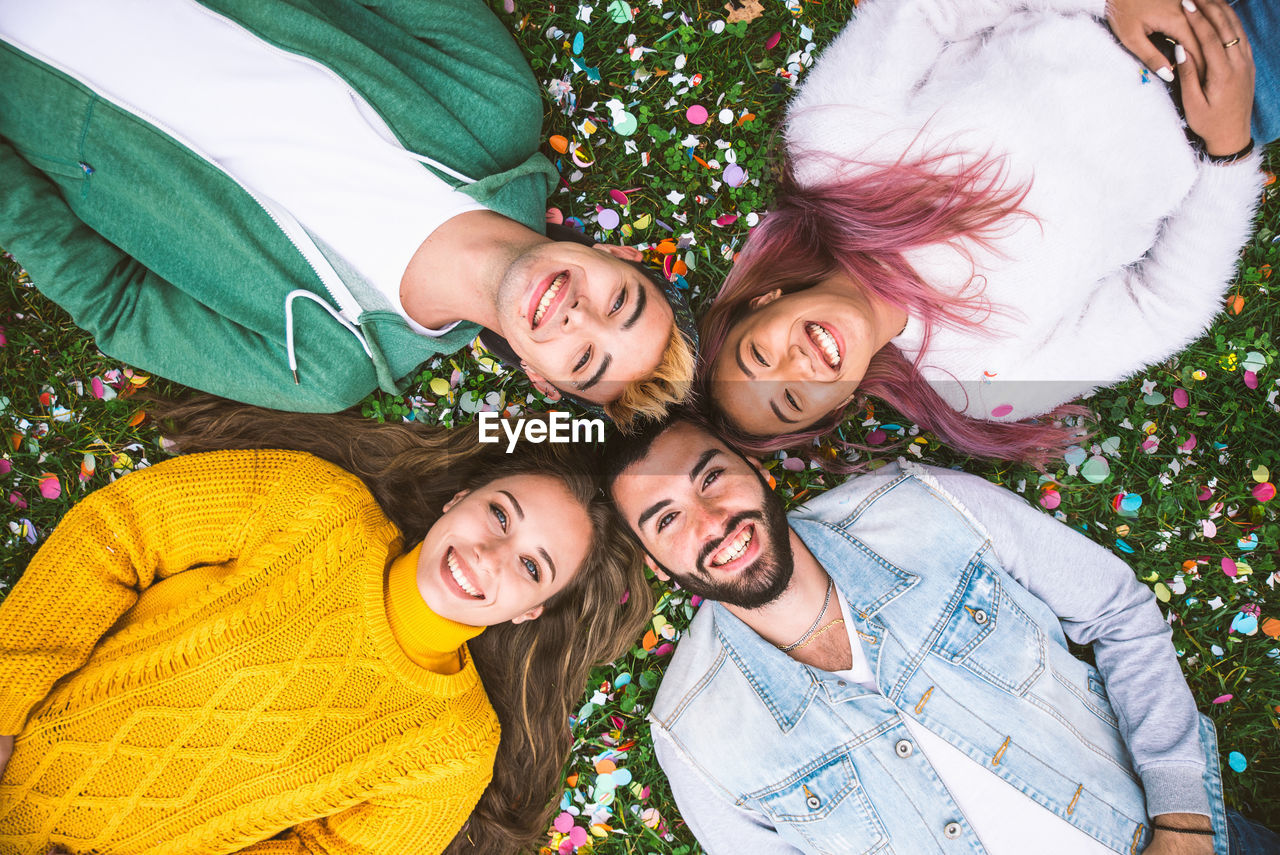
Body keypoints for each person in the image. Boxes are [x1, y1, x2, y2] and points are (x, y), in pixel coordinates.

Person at [604, 414, 1280, 854]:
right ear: (659, 564)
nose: (712, 519)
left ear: (754, 470)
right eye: (667, 519)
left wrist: (1184, 815)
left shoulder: (925, 506)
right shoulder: (695, 736)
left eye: (711, 477)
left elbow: (1118, 613)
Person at [0, 399, 653, 855]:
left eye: (531, 566)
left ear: (528, 610)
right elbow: (117, 533)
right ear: (459, 499)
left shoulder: (451, 753)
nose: (488, 555)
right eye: (500, 516)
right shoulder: (316, 506)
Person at [0, 0, 695, 427]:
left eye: (583, 358)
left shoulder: (328, 368)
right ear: (622, 256)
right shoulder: (493, 102)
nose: (580, 317)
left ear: (540, 377)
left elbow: (119, 305)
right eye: (620, 303)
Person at [697, 0, 1272, 462]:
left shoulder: (829, 151)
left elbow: (920, 12)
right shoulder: (978, 384)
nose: (798, 365)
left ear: (763, 299)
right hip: (1246, 79)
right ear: (836, 407)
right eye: (793, 400)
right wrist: (1228, 150)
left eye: (759, 355)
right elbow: (1162, 308)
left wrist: (1110, 2)